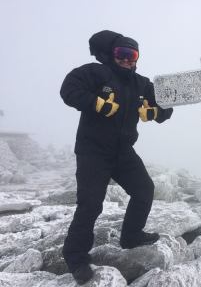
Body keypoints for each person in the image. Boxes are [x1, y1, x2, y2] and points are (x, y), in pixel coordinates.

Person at [60, 30, 173, 285]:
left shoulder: (142, 84)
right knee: (91, 204)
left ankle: (131, 236)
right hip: (93, 151)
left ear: (137, 58)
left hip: (123, 152)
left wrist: (154, 112)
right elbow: (68, 89)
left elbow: (168, 106)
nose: (126, 59)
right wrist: (95, 103)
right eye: (121, 54)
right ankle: (76, 258)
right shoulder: (97, 73)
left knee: (144, 190)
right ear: (112, 55)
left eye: (131, 55)